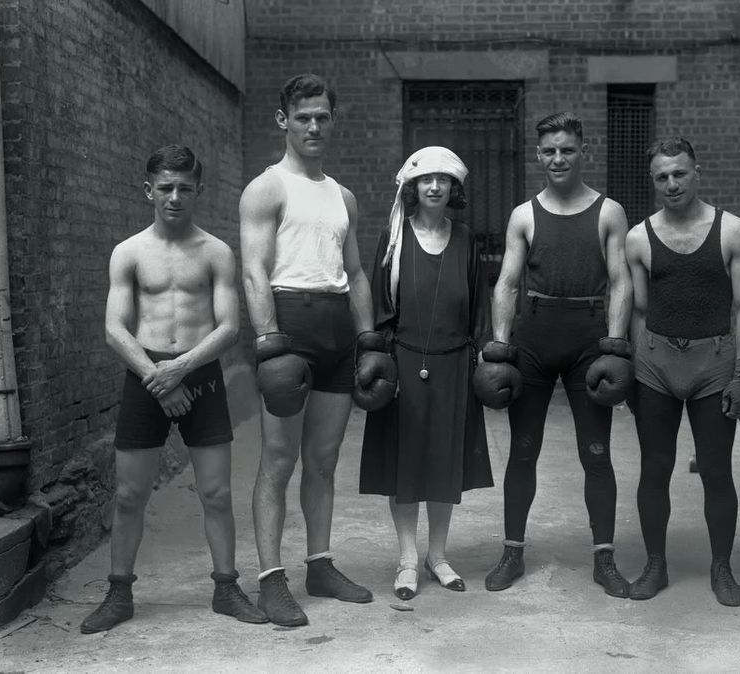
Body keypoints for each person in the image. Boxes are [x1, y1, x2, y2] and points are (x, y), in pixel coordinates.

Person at [82, 145, 265, 633]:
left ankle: (226, 588)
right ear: (149, 190)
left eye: (185, 188)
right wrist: (159, 380)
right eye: (165, 188)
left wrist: (179, 370)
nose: (175, 197)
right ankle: (119, 594)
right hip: (146, 375)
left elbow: (229, 327)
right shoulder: (129, 252)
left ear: (198, 189)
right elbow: (115, 329)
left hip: (199, 373)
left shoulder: (216, 252)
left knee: (216, 492)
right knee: (129, 495)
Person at [240, 74, 388, 627]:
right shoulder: (267, 188)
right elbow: (254, 270)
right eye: (303, 117)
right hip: (289, 325)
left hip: (336, 330)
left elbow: (355, 273)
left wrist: (368, 339)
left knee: (323, 460)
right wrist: (268, 341)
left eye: (322, 117)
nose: (313, 126)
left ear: (333, 120)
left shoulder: (342, 196)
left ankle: (320, 566)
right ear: (284, 120)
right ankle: (270, 580)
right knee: (278, 460)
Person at [481, 112, 632, 598]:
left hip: (589, 339)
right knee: (523, 449)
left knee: (596, 452)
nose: (558, 158)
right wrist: (499, 347)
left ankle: (604, 559)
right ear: (538, 155)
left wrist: (616, 344)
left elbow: (620, 281)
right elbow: (507, 282)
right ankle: (512, 552)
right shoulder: (524, 215)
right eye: (549, 151)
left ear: (583, 151)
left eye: (567, 149)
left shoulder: (609, 211)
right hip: (534, 337)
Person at [624, 137, 740, 607]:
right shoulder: (639, 237)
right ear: (653, 181)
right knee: (654, 468)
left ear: (696, 172)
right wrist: (634, 370)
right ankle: (654, 564)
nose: (672, 184)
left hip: (714, 363)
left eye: (679, 173)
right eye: (662, 176)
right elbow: (639, 310)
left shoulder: (733, 231)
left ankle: (721, 568)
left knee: (717, 470)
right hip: (656, 363)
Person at [359, 146, 493, 600]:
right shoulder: (394, 237)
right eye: (425, 180)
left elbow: (478, 307)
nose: (434, 187)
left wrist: (481, 359)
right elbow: (381, 304)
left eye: (443, 180)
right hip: (403, 362)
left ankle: (438, 556)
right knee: (405, 462)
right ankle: (407, 559)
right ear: (412, 187)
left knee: (443, 461)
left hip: (454, 364)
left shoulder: (466, 240)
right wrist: (382, 364)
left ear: (454, 188)